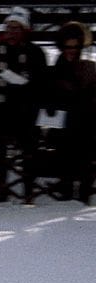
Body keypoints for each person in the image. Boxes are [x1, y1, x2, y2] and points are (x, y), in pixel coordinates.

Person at [0, 6, 47, 202]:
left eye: (16, 28)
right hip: (0, 111)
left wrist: (27, 88)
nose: (12, 32)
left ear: (24, 30)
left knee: (29, 153)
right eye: (9, 28)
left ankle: (28, 191)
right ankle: (2, 189)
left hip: (25, 112)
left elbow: (43, 81)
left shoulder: (35, 52)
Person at [44, 21, 95, 203]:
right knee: (65, 166)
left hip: (86, 126)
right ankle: (65, 196)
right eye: (67, 46)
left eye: (74, 47)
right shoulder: (56, 70)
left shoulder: (90, 69)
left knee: (85, 167)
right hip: (63, 127)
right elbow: (48, 96)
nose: (70, 50)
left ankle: (83, 197)